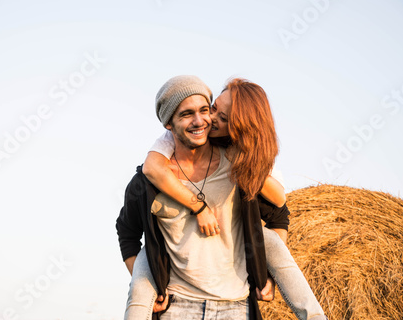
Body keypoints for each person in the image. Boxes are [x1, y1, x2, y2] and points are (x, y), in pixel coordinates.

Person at [116, 75, 326, 320]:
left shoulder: (240, 168)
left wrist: (264, 272)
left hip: (236, 308)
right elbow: (127, 234)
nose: (203, 120)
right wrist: (153, 291)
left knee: (270, 240)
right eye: (186, 114)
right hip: (177, 308)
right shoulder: (148, 180)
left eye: (207, 110)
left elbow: (279, 213)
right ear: (169, 124)